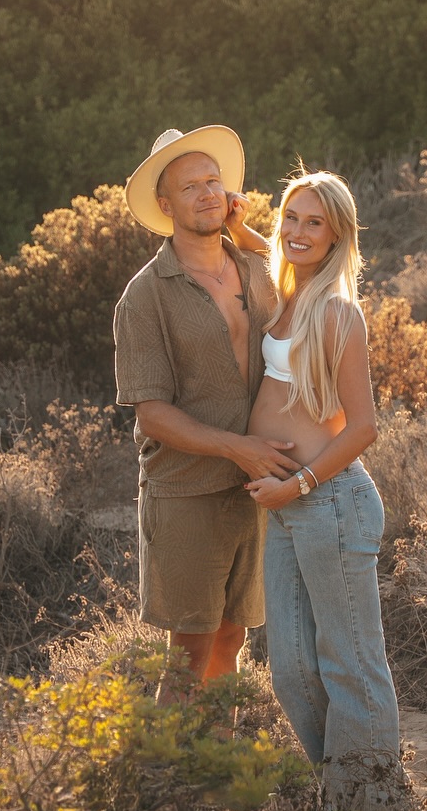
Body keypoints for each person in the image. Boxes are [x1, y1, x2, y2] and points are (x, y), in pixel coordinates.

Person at [113, 126, 298, 682]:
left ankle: (221, 763)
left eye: (213, 180)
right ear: (165, 205)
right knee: (188, 655)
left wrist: (246, 233)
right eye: (190, 186)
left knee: (231, 641)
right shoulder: (145, 294)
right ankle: (173, 771)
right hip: (187, 487)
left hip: (254, 485)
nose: (207, 193)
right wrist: (237, 447)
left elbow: (304, 288)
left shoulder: (251, 267)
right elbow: (152, 413)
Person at [244, 171, 402, 811]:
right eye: (291, 217)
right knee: (291, 670)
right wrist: (237, 223)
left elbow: (364, 428)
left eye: (315, 221)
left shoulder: (337, 311)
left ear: (337, 232)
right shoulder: (283, 294)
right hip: (283, 512)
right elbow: (270, 250)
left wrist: (300, 483)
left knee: (351, 665)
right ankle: (343, 790)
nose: (299, 231)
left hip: (331, 502)